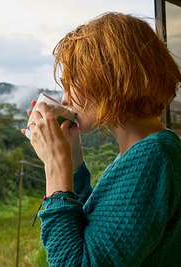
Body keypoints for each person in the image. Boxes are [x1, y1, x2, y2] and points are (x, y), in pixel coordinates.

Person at [22, 12, 181, 266]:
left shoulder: (153, 156)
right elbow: (95, 232)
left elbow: (75, 262)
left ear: (106, 78)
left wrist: (55, 167)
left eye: (71, 83)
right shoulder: (143, 151)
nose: (64, 100)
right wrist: (73, 162)